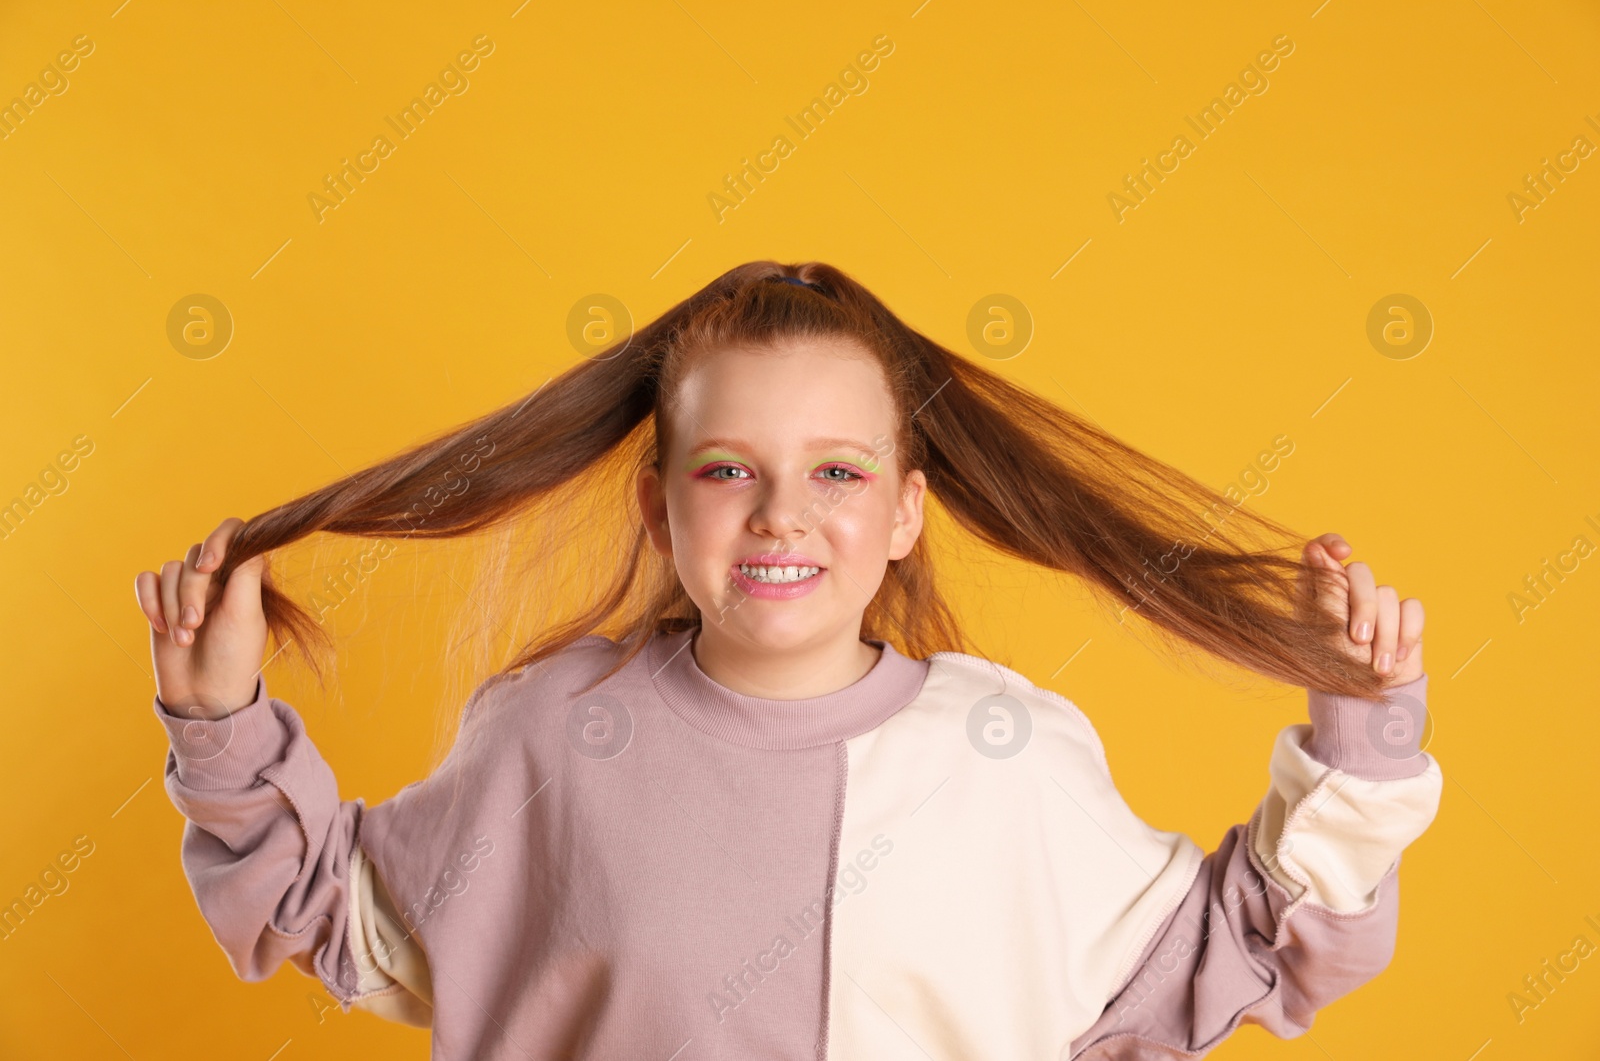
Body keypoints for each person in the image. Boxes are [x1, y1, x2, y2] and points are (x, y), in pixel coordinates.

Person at [134, 261, 1441, 1059]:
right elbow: (341, 914)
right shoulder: (546, 734)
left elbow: (1234, 953)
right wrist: (221, 723)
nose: (781, 515)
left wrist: (1362, 721)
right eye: (727, 471)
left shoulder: (1011, 757)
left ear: (906, 513)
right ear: (657, 505)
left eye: (837, 472)